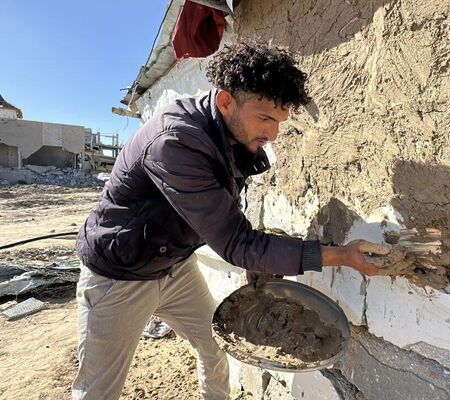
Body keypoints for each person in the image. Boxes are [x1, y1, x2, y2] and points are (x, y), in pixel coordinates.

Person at [72, 40, 382, 400]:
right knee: (98, 390)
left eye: (279, 122)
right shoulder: (176, 142)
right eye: (264, 118)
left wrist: (261, 258)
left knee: (216, 344)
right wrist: (341, 256)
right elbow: (237, 243)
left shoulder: (231, 133)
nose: (272, 135)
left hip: (174, 266)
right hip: (119, 275)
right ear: (225, 101)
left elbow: (226, 209)